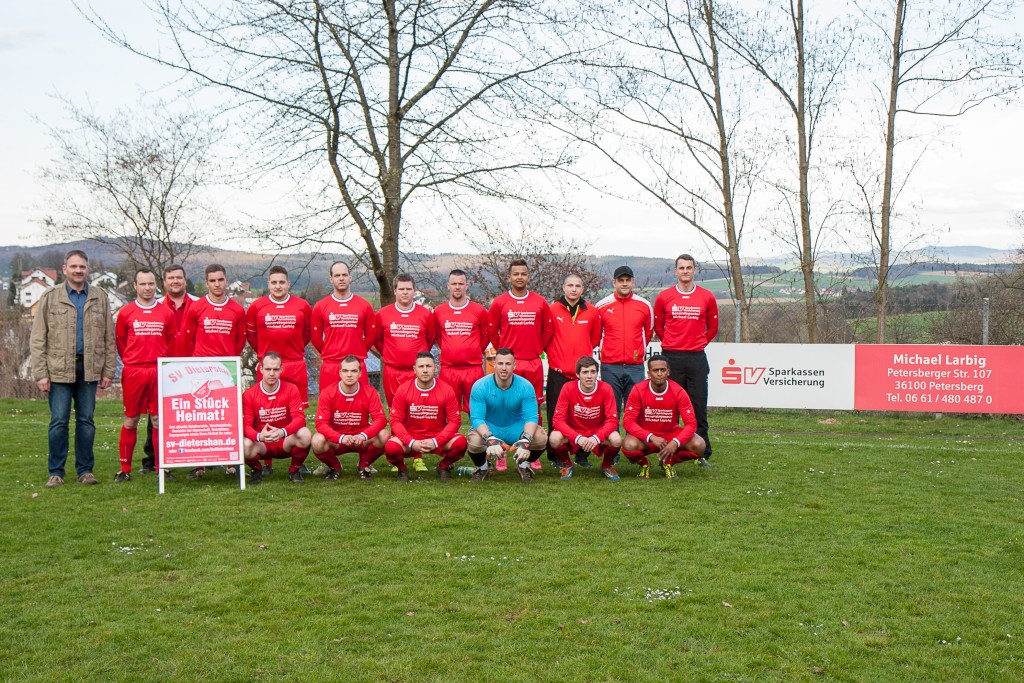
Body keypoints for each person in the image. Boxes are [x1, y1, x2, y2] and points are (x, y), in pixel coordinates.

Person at [30, 249, 115, 487]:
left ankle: (85, 471)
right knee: (59, 421)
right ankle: (56, 472)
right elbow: (38, 338)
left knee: (86, 422)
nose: (78, 271)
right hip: (57, 370)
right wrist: (40, 374)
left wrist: (108, 371)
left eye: (82, 267)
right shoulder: (50, 296)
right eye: (74, 267)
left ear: (88, 269)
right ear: (64, 269)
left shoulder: (100, 296)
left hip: (89, 369)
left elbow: (109, 336)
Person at [179, 264, 247, 478]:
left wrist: (226, 361)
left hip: (226, 371)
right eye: (212, 280)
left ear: (226, 281)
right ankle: (199, 465)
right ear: (206, 283)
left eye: (220, 280)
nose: (217, 284)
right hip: (200, 370)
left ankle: (230, 462)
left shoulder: (236, 309)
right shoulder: (196, 307)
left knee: (228, 418)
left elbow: (239, 341)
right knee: (200, 419)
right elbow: (187, 340)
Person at [246, 265, 313, 475]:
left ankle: (298, 463)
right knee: (266, 410)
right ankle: (267, 462)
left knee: (295, 412)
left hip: (295, 364)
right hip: (269, 365)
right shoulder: (257, 306)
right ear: (268, 284)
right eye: (274, 282)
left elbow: (307, 335)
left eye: (281, 282)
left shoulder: (302, 306)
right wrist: (267, 358)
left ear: (288, 284)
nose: (278, 286)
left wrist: (292, 352)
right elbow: (252, 336)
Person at [487, 259, 552, 470]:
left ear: (528, 276)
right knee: (503, 407)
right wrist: (504, 353)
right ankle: (502, 451)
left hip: (532, 362)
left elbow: (547, 331)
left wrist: (535, 349)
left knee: (533, 409)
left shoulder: (540, 302)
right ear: (509, 277)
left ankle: (531, 454)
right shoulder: (499, 302)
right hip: (508, 363)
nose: (520, 277)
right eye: (516, 274)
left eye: (523, 273)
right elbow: (492, 331)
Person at [114, 268, 178, 482]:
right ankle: (125, 469)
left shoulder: (166, 313)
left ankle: (162, 468)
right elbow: (122, 343)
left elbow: (170, 342)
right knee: (131, 419)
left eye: (151, 284)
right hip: (134, 371)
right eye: (143, 284)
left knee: (158, 419)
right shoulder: (126, 312)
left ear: (156, 285)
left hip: (159, 370)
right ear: (135, 286)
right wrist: (135, 360)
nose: (147, 288)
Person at [653, 254, 718, 466]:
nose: (685, 271)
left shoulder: (707, 297)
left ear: (694, 270)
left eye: (689, 267)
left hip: (697, 358)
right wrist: (673, 344)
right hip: (672, 358)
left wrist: (697, 344)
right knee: (669, 408)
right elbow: (659, 327)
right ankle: (665, 450)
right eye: (681, 268)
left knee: (698, 406)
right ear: (675, 271)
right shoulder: (664, 297)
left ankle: (702, 453)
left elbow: (713, 328)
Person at [140, 264, 198, 474]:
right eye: (171, 278)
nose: (175, 281)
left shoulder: (198, 305)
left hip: (192, 366)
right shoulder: (155, 307)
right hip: (164, 366)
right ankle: (153, 459)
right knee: (156, 414)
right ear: (164, 282)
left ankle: (201, 459)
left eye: (179, 278)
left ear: (185, 280)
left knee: (194, 415)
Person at [466, 348, 548, 483]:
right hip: (491, 426)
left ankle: (523, 466)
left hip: (516, 427)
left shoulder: (526, 386)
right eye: (500, 363)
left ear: (514, 366)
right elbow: (477, 418)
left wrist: (526, 440)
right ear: (494, 364)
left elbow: (531, 417)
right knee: (474, 442)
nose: (504, 368)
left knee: (540, 438)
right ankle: (482, 468)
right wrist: (490, 438)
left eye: (508, 364)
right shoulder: (480, 386)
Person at [545, 273, 602, 466]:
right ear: (563, 287)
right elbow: (546, 338)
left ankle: (581, 455)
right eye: (570, 285)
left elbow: (594, 340)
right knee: (556, 415)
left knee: (582, 417)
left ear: (583, 289)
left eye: (578, 286)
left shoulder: (592, 312)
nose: (574, 289)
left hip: (582, 375)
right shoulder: (552, 309)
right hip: (558, 373)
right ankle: (556, 456)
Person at [384, 353, 466, 482]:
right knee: (391, 447)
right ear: (414, 369)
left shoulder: (446, 390)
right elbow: (395, 421)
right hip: (411, 438)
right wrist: (411, 442)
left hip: (437, 437)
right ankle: (402, 469)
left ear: (436, 367)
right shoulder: (403, 389)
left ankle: (443, 467)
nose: (425, 370)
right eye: (421, 366)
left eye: (429, 366)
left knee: (461, 443)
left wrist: (436, 441)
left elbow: (454, 421)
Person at [621, 354, 706, 480]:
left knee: (699, 445)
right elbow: (628, 422)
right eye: (656, 370)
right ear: (649, 373)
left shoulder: (679, 391)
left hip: (670, 435)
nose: (659, 374)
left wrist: (676, 442)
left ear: (668, 372)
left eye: (663, 370)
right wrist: (650, 436)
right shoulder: (638, 390)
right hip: (647, 437)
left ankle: (669, 461)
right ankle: (644, 465)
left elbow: (691, 424)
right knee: (628, 444)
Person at [311, 355, 389, 481]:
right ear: (340, 373)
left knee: (384, 434)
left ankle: (363, 465)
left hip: (361, 439)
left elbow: (380, 419)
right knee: (317, 440)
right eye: (345, 371)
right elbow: (321, 423)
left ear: (360, 373)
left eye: (354, 371)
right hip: (338, 440)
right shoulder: (328, 392)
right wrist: (340, 437)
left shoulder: (370, 391)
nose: (349, 374)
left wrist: (364, 435)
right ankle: (335, 467)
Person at [241, 353, 313, 484]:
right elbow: (246, 426)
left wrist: (282, 432)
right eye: (268, 369)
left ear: (281, 370)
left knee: (305, 434)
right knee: (244, 445)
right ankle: (256, 469)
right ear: (261, 370)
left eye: (275, 369)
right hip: (262, 443)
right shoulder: (249, 394)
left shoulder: (291, 389)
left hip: (284, 440)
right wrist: (259, 436)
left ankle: (294, 470)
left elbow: (300, 419)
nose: (272, 373)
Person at [548, 356, 622, 481]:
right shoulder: (568, 388)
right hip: (575, 431)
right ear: (578, 374)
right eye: (585, 372)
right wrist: (577, 437)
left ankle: (606, 466)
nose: (589, 376)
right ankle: (567, 464)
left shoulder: (606, 388)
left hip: (596, 431)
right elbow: (557, 420)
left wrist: (596, 437)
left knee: (616, 439)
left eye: (593, 372)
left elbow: (612, 420)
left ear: (597, 374)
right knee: (554, 438)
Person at [310, 261, 377, 393]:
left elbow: (371, 335)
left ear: (350, 277)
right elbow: (315, 338)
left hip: (356, 365)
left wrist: (358, 350)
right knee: (329, 408)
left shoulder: (364, 305)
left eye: (344, 275)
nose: (341, 278)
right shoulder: (321, 306)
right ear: (331, 279)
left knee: (359, 408)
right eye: (337, 275)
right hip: (331, 365)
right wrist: (330, 352)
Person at [596, 265, 654, 413]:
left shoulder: (644, 305)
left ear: (633, 282)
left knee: (634, 409)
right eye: (620, 280)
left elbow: (647, 333)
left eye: (628, 280)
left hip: (635, 366)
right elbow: (596, 335)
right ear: (614, 282)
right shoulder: (601, 306)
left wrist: (636, 351)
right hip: (610, 366)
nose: (624, 283)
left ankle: (633, 436)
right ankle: (611, 436)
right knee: (611, 409)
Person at [433, 269, 489, 414]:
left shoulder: (479, 310)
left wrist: (473, 351)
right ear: (448, 286)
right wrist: (449, 350)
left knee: (477, 410)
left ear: (467, 285)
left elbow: (485, 337)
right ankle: (450, 437)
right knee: (448, 411)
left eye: (460, 284)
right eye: (454, 284)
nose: (457, 287)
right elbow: (438, 336)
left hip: (473, 369)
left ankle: (479, 436)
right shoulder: (439, 311)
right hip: (449, 369)